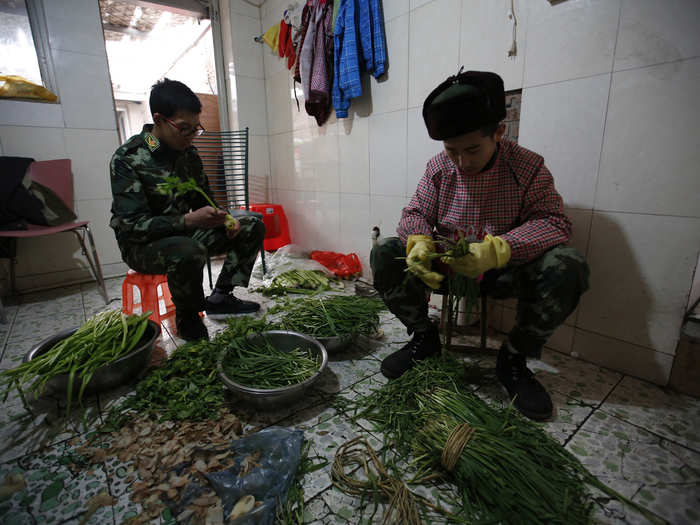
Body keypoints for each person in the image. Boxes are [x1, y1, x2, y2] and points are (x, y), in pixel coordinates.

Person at [370, 70, 589, 420]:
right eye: (451, 150)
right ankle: (423, 339)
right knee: (386, 250)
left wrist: (499, 249)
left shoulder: (528, 166)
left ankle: (514, 360)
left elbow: (555, 222)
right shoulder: (439, 167)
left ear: (498, 133)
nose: (462, 162)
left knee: (568, 264)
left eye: (472, 149)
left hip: (502, 271)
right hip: (445, 267)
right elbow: (414, 212)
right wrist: (420, 239)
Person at [109, 79, 265, 341]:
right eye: (184, 129)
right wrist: (188, 220)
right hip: (142, 246)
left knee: (251, 225)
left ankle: (221, 296)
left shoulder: (188, 155)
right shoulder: (128, 158)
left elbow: (203, 200)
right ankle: (188, 317)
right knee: (186, 249)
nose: (191, 136)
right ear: (158, 120)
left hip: (185, 235)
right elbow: (131, 225)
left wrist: (222, 217)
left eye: (196, 129)